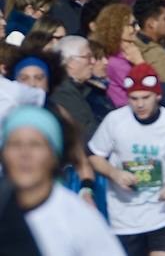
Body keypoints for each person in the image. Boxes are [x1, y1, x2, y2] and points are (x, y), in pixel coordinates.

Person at [88, 62, 165, 255]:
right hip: (124, 216)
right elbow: (95, 156)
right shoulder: (115, 121)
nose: (139, 104)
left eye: (146, 98)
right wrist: (114, 173)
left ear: (158, 95)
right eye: (134, 98)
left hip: (164, 213)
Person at [1, 104, 123, 254]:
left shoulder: (78, 217)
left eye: (35, 145)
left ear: (54, 155)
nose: (25, 154)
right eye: (15, 144)